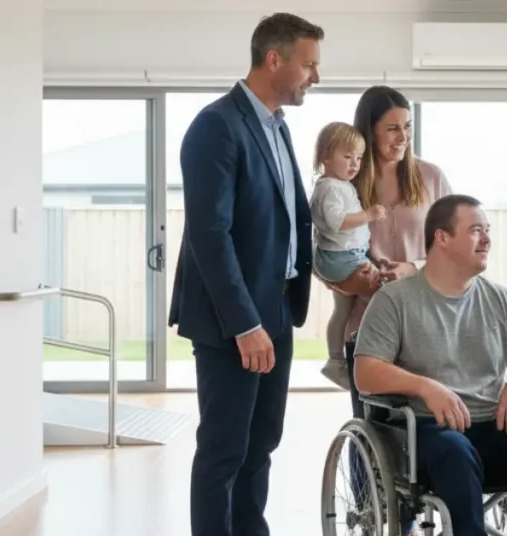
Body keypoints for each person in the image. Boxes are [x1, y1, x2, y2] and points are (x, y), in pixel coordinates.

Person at [167, 13, 322, 536]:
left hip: (276, 307)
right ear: (273, 59)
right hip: (233, 318)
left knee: (261, 445)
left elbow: (282, 220)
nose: (314, 76)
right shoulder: (217, 126)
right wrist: (244, 324)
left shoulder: (277, 128)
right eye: (309, 64)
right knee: (224, 449)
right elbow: (211, 237)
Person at [352, 195, 507, 535]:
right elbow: (365, 371)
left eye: (488, 230)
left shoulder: (499, 299)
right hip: (425, 431)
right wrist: (425, 387)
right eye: (475, 230)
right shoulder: (395, 300)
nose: (487, 239)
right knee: (455, 450)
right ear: (441, 237)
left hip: (492, 424)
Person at [319, 85, 453, 383]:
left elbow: (455, 250)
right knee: (373, 422)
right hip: (366, 328)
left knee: (427, 420)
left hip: (426, 323)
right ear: (369, 131)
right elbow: (319, 248)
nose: (403, 136)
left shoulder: (432, 178)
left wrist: (413, 269)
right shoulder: (342, 185)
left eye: (407, 126)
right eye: (392, 128)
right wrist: (345, 282)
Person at [308, 121, 387, 389]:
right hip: (343, 258)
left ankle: (334, 360)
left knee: (341, 310)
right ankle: (369, 356)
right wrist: (369, 215)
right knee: (380, 296)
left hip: (342, 255)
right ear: (325, 157)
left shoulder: (338, 184)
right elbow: (336, 221)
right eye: (347, 156)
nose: (354, 164)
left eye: (359, 158)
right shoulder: (330, 187)